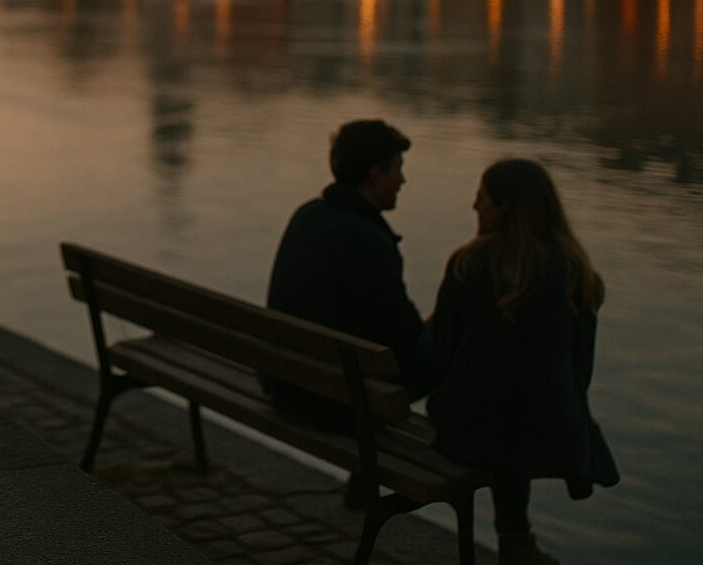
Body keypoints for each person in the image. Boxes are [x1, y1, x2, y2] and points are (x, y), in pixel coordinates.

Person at [428, 159, 619, 565]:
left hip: (469, 432)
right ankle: (516, 537)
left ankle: (515, 537)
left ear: (505, 207)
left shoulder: (469, 264)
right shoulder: (576, 273)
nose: (474, 206)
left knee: (493, 407)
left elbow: (439, 354)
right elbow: (580, 371)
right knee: (514, 409)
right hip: (549, 433)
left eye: (482, 198)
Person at [263, 119, 431, 426]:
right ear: (375, 176)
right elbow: (404, 335)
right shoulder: (369, 241)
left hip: (285, 385)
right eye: (397, 169)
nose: (403, 180)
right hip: (335, 402)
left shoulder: (307, 215)